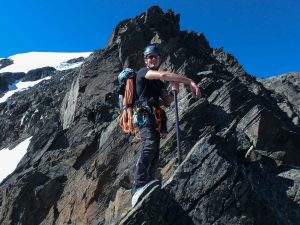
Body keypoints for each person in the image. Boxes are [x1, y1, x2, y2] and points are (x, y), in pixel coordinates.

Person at [131, 45, 201, 206]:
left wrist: (173, 90)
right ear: (145, 60)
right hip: (145, 114)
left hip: (155, 118)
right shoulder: (143, 72)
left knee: (155, 151)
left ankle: (148, 183)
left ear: (159, 59)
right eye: (150, 56)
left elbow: (168, 102)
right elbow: (163, 74)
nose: (153, 59)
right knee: (148, 146)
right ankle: (138, 186)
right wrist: (188, 81)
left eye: (155, 56)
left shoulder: (159, 84)